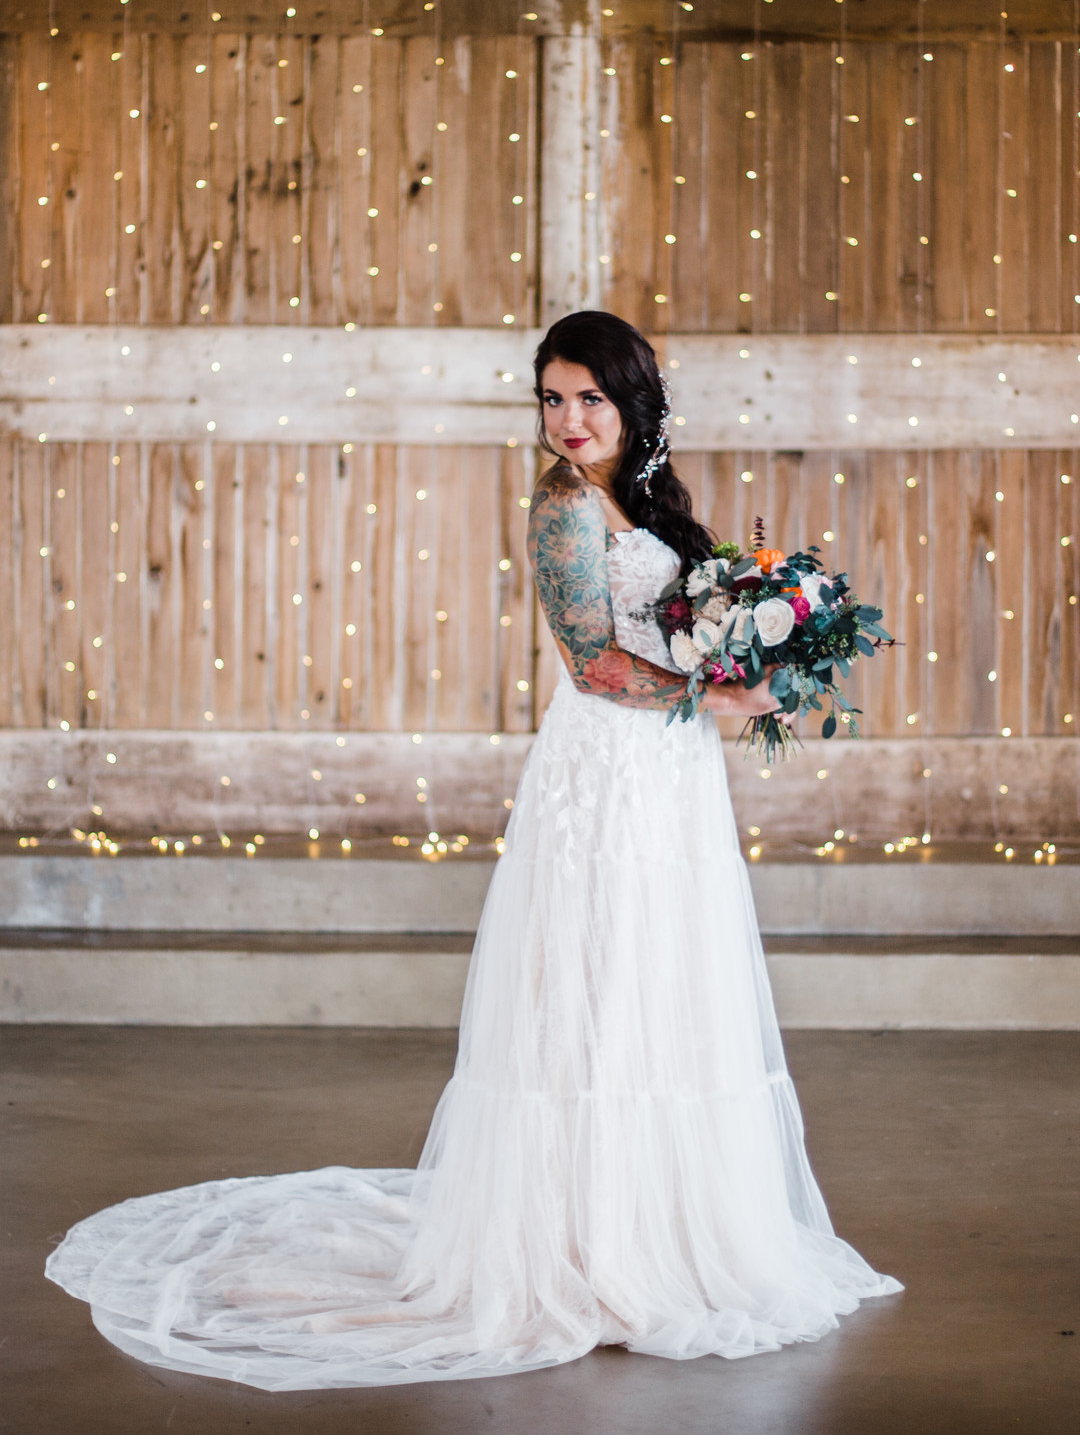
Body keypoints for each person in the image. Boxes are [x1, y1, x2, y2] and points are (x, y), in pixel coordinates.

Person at [45, 309, 901, 1390]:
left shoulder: (640, 503)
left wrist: (746, 640)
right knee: (591, 985)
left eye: (589, 398)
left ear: (633, 404)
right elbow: (593, 665)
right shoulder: (558, 509)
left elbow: (677, 621)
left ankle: (660, 1226)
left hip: (670, 775)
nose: (569, 420)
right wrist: (721, 691)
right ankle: (576, 1245)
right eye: (552, 398)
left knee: (657, 983)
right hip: (603, 768)